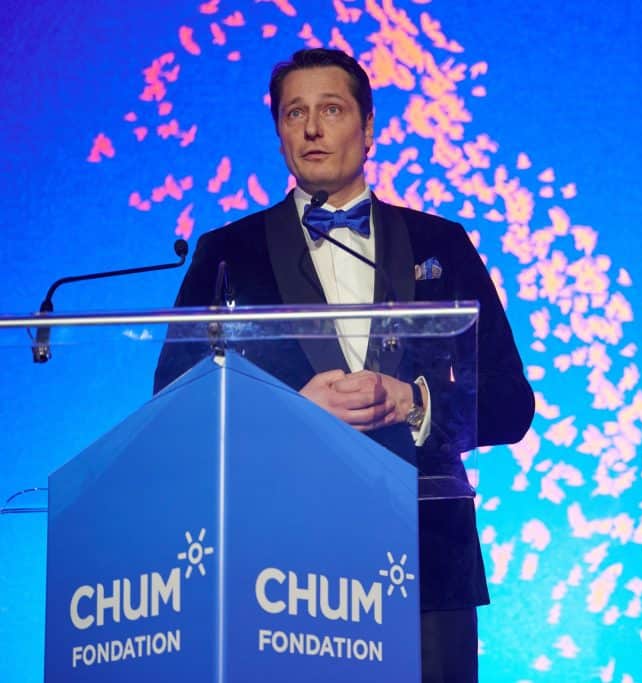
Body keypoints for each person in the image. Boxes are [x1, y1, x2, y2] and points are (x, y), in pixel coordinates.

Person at [153, 48, 535, 682]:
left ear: (368, 126)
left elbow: (511, 404)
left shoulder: (441, 243)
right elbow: (174, 401)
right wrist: (289, 410)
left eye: (330, 110)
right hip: (282, 563)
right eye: (293, 113)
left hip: (428, 553)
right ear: (279, 133)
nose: (311, 128)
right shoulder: (228, 253)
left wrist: (414, 402)